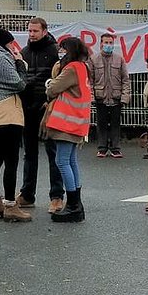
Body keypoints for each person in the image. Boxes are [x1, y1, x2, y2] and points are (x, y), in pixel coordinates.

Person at [0, 27, 30, 221]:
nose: (14, 47)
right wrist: (20, 63)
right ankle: (10, 205)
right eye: (11, 43)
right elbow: (20, 84)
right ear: (5, 44)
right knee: (11, 160)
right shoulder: (1, 59)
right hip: (7, 114)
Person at [43, 37, 92, 223]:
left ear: (69, 50)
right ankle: (76, 203)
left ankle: (72, 205)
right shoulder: (83, 67)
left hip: (66, 123)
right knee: (71, 161)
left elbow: (54, 88)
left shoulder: (71, 68)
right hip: (78, 121)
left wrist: (48, 84)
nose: (60, 52)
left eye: (63, 49)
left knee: (62, 161)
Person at [20, 17, 63, 214]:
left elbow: (59, 79)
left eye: (35, 31)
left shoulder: (55, 51)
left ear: (45, 31)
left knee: (53, 153)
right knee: (29, 153)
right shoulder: (24, 52)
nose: (31, 34)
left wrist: (51, 101)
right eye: (29, 31)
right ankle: (27, 194)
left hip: (47, 108)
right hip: (28, 108)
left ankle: (56, 196)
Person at [90, 32, 131, 159]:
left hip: (116, 97)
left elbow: (125, 79)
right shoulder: (93, 59)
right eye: (106, 42)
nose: (108, 45)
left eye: (110, 43)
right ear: (101, 44)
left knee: (115, 124)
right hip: (100, 96)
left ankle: (115, 148)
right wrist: (91, 97)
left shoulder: (120, 59)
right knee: (101, 123)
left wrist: (125, 97)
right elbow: (90, 80)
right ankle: (102, 148)